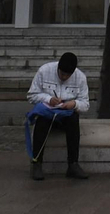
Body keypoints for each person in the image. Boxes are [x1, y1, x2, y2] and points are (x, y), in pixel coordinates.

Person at [26, 51, 89, 180]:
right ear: (58, 68)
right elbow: (31, 95)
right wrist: (49, 99)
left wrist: (74, 104)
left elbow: (85, 104)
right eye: (62, 74)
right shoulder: (44, 71)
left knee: (73, 120)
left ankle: (73, 164)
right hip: (48, 113)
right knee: (41, 121)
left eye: (68, 75)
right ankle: (37, 163)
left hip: (66, 115)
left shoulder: (81, 77)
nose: (64, 77)